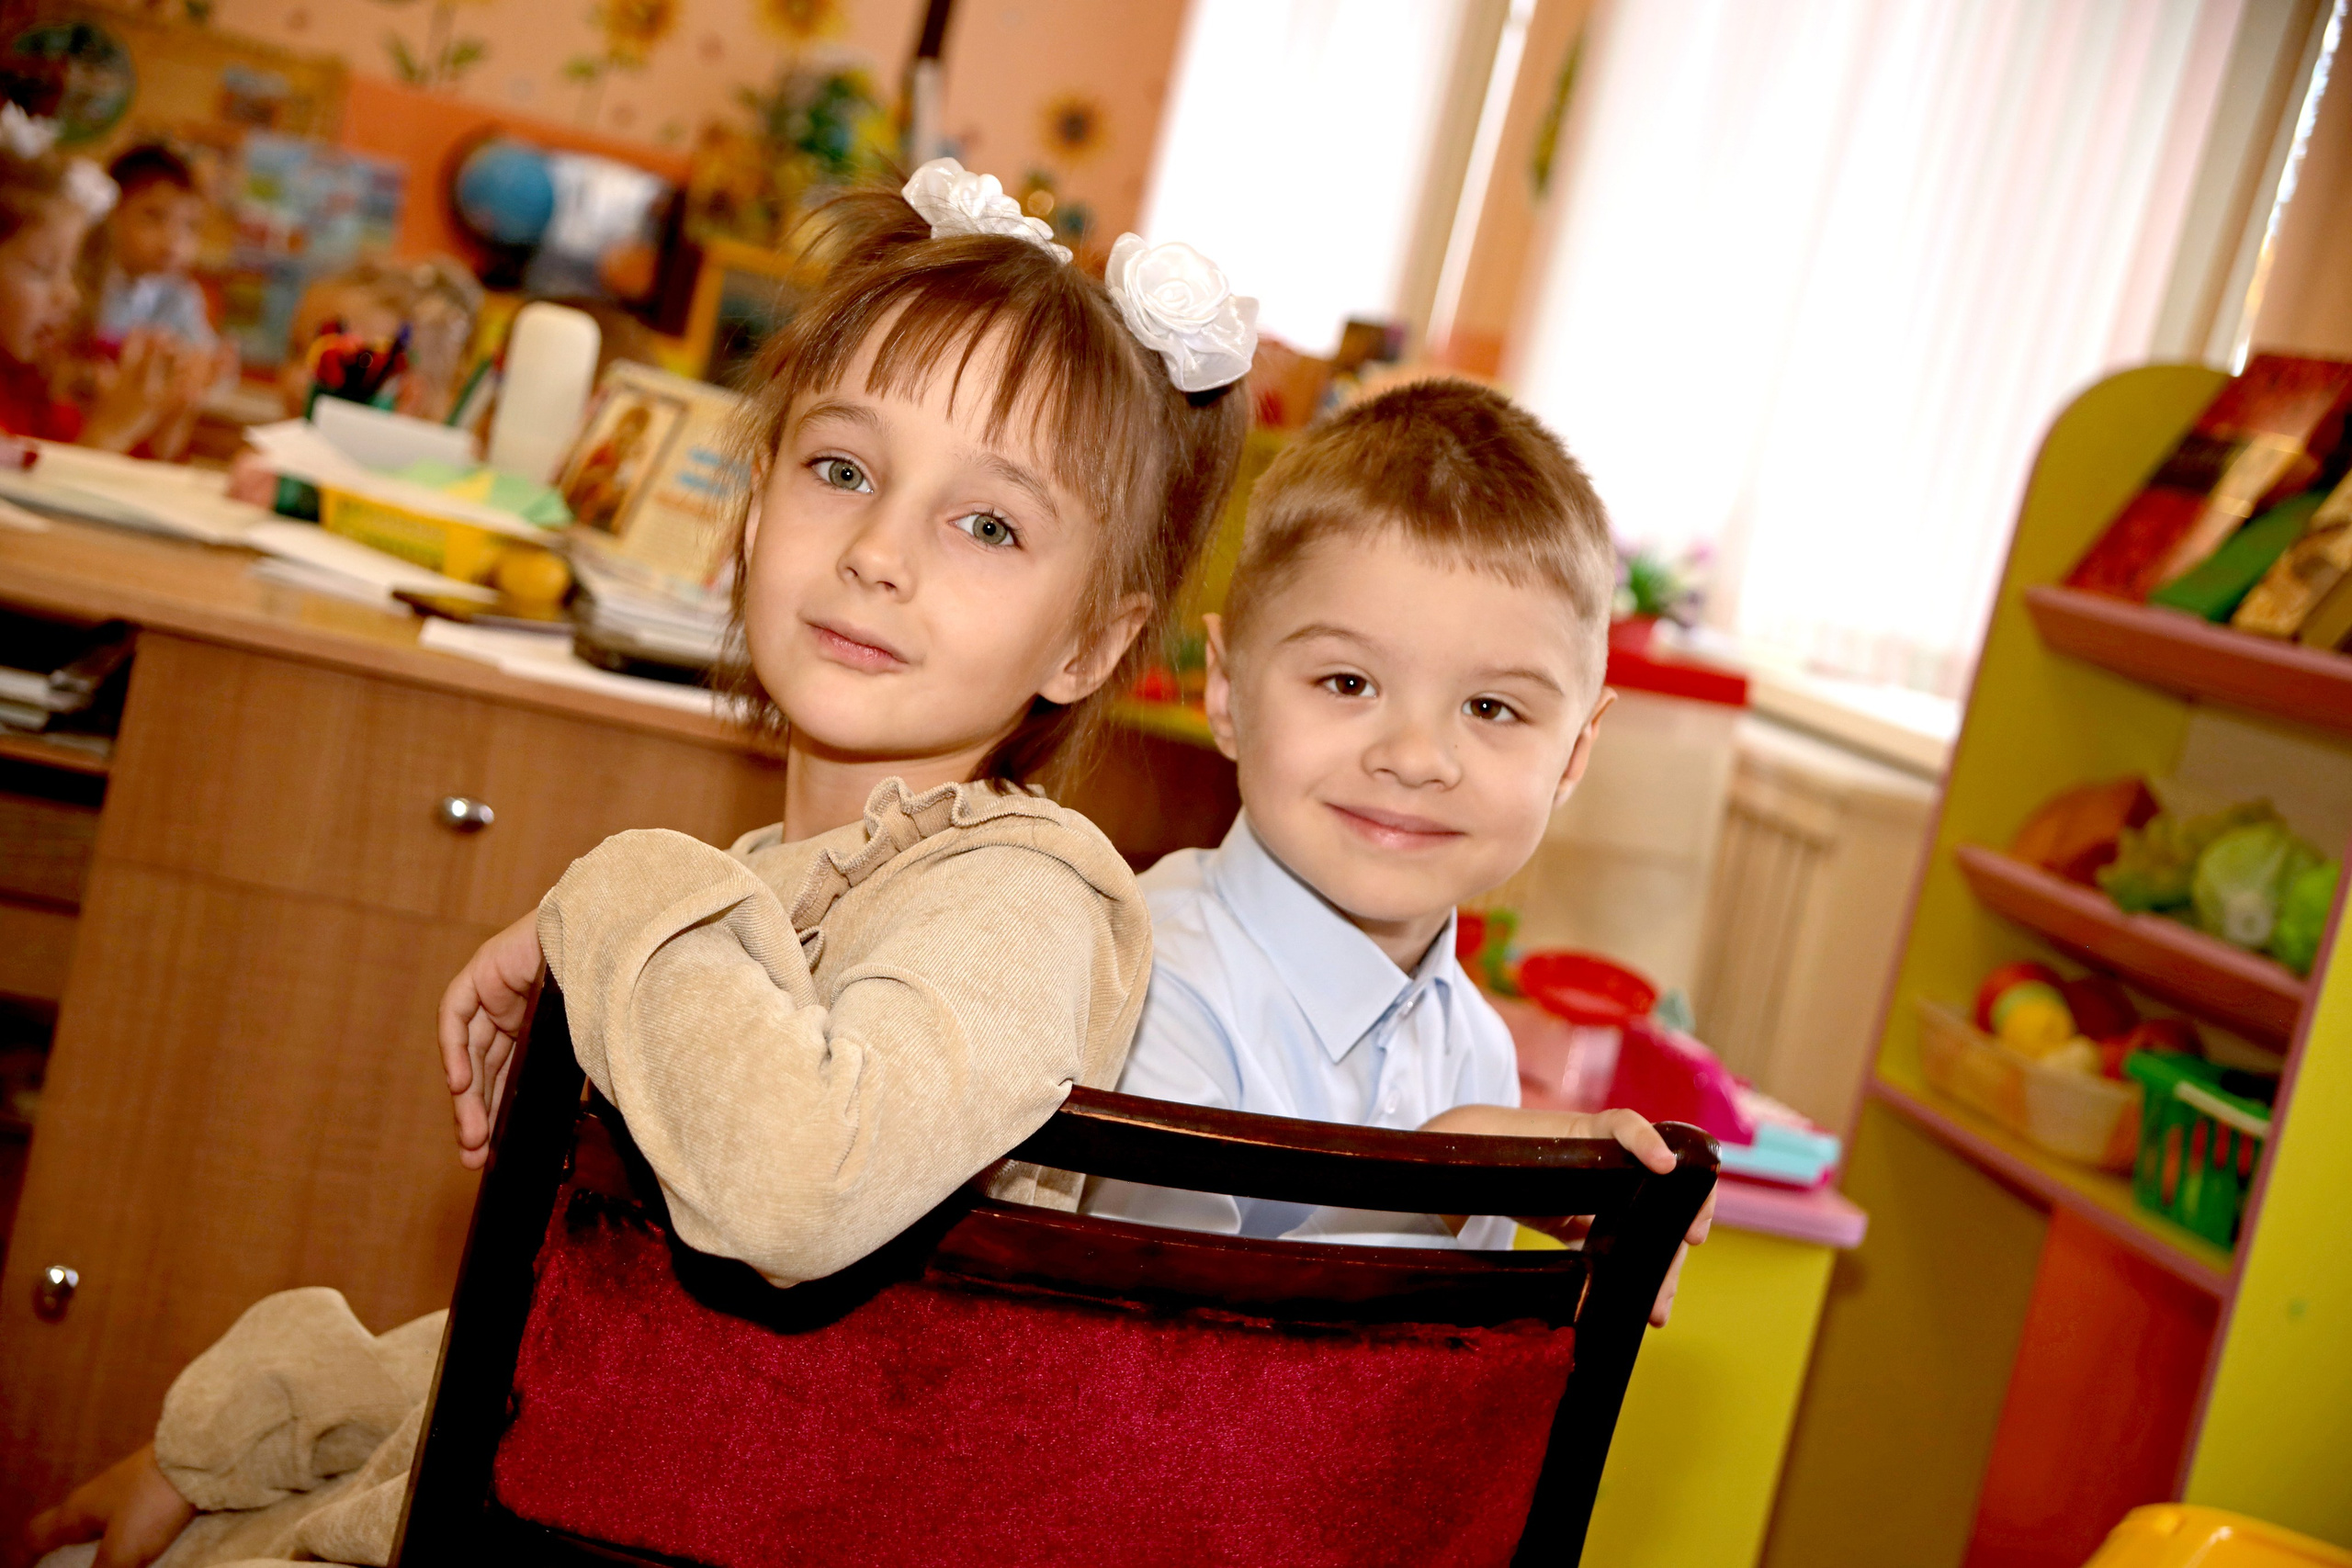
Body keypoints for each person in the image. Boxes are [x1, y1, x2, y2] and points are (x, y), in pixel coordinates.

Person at [22, 158, 1254, 1568]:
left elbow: (790, 1185)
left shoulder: (1020, 894)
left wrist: (605, 887)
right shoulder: (756, 885)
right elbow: (596, 1308)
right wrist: (234, 1437)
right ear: (753, 506)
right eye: (842, 468)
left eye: (988, 523)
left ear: (1094, 642)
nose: (874, 550)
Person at [1084, 379, 1713, 1322]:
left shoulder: (1477, 1049)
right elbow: (1157, 1374)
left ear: (1575, 752)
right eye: (1347, 681)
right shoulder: (1147, 980)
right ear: (1227, 689)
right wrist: (1438, 1172)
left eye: (1491, 707)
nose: (1414, 758)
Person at [0, 107, 209, 453]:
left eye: (70, 272)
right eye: (41, 270)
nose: (70, 296)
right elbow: (49, 495)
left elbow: (143, 461)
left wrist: (173, 410)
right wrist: (111, 431)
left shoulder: (33, 380)